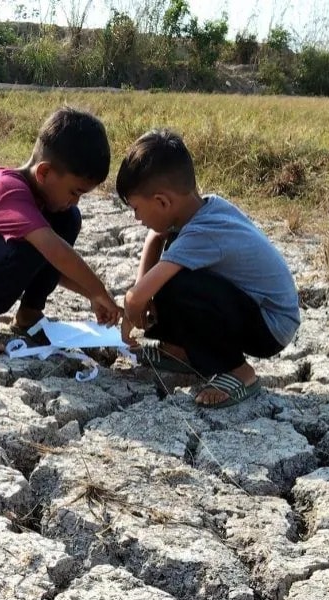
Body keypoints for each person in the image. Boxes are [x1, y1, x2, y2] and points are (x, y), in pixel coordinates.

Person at [116, 129, 300, 408]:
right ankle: (180, 352)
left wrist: (133, 313)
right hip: (251, 309)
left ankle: (239, 372)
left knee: (176, 283)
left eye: (136, 209)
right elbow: (157, 237)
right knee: (169, 272)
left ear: (163, 202)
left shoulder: (205, 232)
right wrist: (145, 289)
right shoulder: (197, 207)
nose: (137, 218)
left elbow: (136, 297)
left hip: (270, 326)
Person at [0, 107, 122, 352]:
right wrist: (99, 290)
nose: (76, 200)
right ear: (44, 172)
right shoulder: (8, 190)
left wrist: (91, 295)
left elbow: (51, 268)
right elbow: (52, 252)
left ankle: (29, 314)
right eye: (74, 192)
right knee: (35, 242)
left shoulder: (42, 203)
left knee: (68, 218)